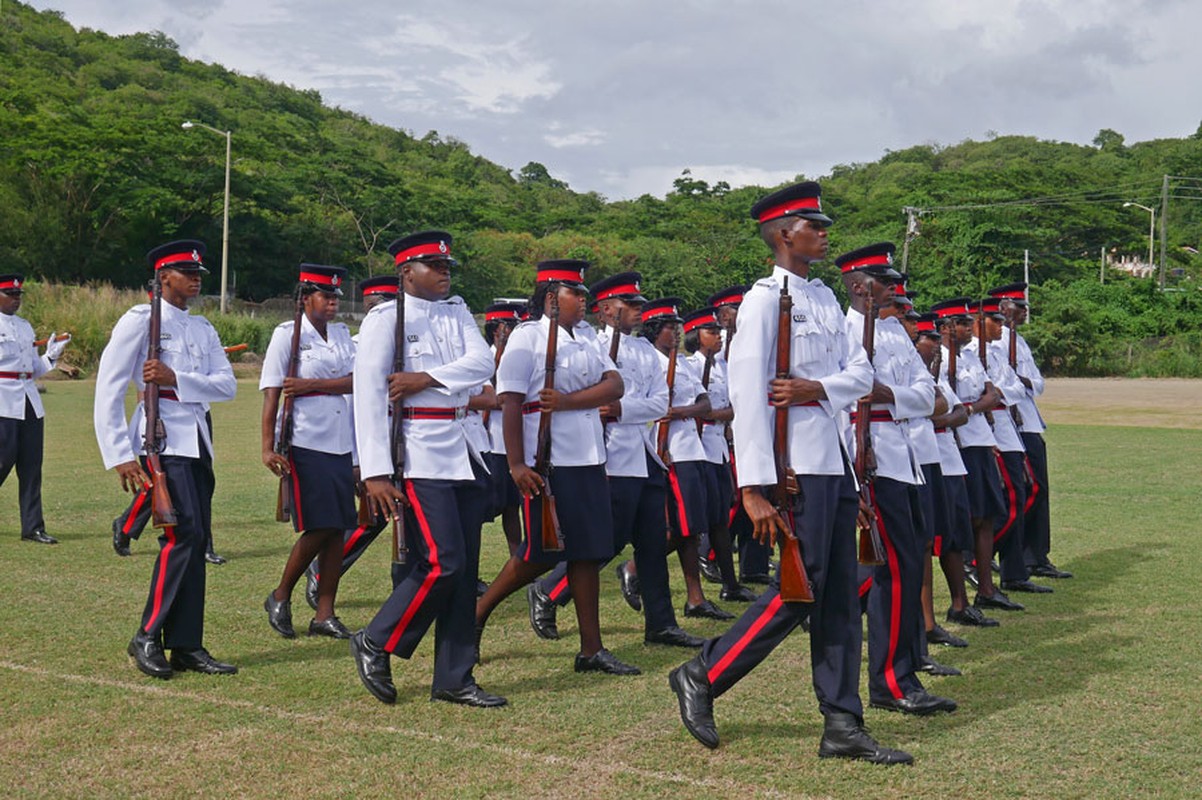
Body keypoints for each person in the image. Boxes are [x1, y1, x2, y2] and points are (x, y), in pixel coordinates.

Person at [668, 182, 911, 764]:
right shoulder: (761, 301)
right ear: (783, 234)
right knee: (800, 590)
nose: (824, 233)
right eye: (813, 225)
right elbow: (749, 397)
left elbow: (860, 372)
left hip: (834, 461)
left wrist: (817, 386)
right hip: (793, 466)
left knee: (837, 598)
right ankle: (703, 672)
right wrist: (752, 487)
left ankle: (842, 724)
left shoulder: (825, 298)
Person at [348, 230, 503, 707]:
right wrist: (374, 472)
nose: (444, 273)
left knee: (464, 568)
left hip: (463, 446)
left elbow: (482, 364)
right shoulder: (384, 320)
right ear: (405, 272)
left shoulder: (457, 311)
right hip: (417, 450)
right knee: (442, 561)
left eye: (447, 267)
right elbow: (369, 396)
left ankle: (455, 677)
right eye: (433, 267)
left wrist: (426, 377)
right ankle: (376, 638)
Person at [475, 259, 641, 677]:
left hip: (588, 457)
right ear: (551, 298)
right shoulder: (527, 339)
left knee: (588, 553)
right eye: (575, 294)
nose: (584, 301)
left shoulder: (586, 337)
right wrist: (515, 463)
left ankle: (591, 649)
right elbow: (510, 403)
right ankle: (474, 615)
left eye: (583, 293)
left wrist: (568, 401)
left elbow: (615, 385)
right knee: (538, 554)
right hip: (546, 462)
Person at [526, 272, 703, 649]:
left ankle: (661, 623)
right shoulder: (590, 343)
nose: (638, 312)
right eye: (630, 306)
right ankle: (549, 590)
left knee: (653, 545)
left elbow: (660, 403)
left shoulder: (642, 351)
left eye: (639, 306)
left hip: (644, 454)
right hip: (609, 458)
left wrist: (621, 407)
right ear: (606, 310)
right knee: (605, 542)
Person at [94, 239, 237, 679]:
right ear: (162, 278)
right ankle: (147, 635)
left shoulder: (203, 329)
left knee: (194, 544)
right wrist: (120, 455)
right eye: (185, 272)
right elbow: (109, 387)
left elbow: (227, 385)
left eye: (198, 273)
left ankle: (187, 644)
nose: (195, 279)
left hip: (197, 439)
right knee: (182, 537)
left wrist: (179, 377)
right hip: (160, 439)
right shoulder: (140, 320)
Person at [839, 244, 953, 716]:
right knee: (887, 574)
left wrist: (892, 395)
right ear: (858, 282)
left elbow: (929, 393)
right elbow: (847, 399)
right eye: (882, 279)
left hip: (904, 456)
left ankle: (903, 670)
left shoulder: (890, 331)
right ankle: (890, 680)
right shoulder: (844, 331)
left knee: (908, 568)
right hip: (872, 460)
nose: (891, 286)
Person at [261, 264, 358, 640]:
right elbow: (272, 391)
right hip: (304, 439)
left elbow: (355, 382)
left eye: (336, 296)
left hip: (340, 439)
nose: (333, 302)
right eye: (326, 296)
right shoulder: (287, 335)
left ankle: (324, 612)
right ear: (306, 298)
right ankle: (281, 594)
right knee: (320, 525)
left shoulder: (341, 334)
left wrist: (311, 383)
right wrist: (267, 447)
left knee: (338, 529)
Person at [302, 275, 400, 610]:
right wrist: (361, 459)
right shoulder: (357, 347)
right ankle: (320, 571)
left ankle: (408, 579)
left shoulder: (401, 344)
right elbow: (353, 406)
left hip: (402, 442)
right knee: (370, 519)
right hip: (371, 446)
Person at [642, 297, 732, 621]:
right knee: (681, 524)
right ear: (654, 330)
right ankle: (634, 570)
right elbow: (649, 406)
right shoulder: (650, 360)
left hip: (690, 444)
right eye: (669, 327)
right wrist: (671, 412)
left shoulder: (677, 362)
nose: (676, 333)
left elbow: (704, 403)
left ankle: (695, 598)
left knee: (692, 525)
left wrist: (679, 411)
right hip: (670, 449)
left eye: (677, 327)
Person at [933, 297, 1022, 613]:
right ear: (946, 328)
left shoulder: (968, 357)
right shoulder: (939, 359)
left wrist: (972, 407)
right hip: (960, 444)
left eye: (970, 322)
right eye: (962, 323)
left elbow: (993, 392)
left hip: (980, 440)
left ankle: (987, 588)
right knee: (965, 520)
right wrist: (974, 406)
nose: (970, 328)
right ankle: (964, 592)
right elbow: (959, 404)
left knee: (986, 517)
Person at [989, 283, 1072, 579]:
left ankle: (1035, 554)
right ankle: (996, 553)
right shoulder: (994, 342)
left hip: (1029, 421)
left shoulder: (1019, 341)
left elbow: (1038, 383)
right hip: (1013, 425)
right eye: (1019, 306)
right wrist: (1017, 385)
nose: (1025, 311)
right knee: (1025, 491)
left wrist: (1019, 382)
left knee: (1040, 491)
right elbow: (1004, 386)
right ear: (1002, 307)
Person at [682, 307, 757, 603]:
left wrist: (722, 413)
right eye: (711, 332)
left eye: (718, 331)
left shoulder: (723, 367)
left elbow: (731, 406)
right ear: (696, 337)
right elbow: (705, 409)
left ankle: (731, 583)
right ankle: (634, 569)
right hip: (698, 447)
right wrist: (722, 413)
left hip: (718, 447)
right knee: (695, 523)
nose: (718, 336)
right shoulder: (689, 366)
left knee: (720, 522)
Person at [707, 284, 772, 585]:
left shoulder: (750, 341)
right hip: (729, 436)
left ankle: (755, 564)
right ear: (722, 316)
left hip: (753, 429)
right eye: (733, 310)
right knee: (736, 502)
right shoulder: (717, 357)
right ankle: (709, 555)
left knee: (762, 496)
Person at [0, 274, 70, 544]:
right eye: (10, 294)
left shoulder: (25, 327)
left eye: (18, 295)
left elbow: (33, 369)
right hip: (3, 402)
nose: (16, 299)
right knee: (3, 461)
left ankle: (33, 527)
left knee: (31, 466)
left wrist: (51, 355)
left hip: (29, 401)